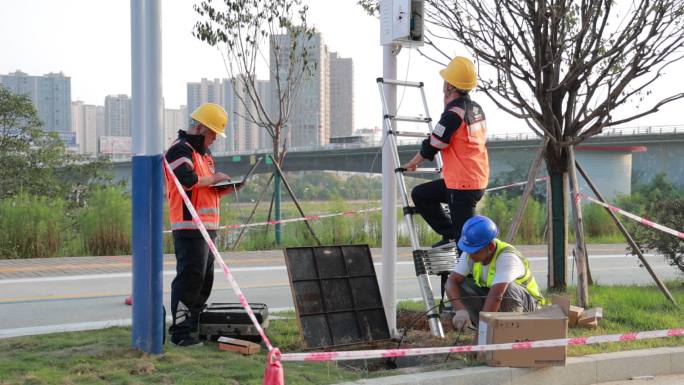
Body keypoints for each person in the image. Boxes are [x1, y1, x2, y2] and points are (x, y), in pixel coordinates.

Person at [163, 103, 237, 347]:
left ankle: (194, 325)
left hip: (208, 227)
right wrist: (215, 179)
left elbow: (205, 189)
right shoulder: (179, 150)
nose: (214, 139)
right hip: (188, 225)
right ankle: (180, 333)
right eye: (213, 133)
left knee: (204, 280)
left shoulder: (205, 155)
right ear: (202, 128)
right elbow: (188, 180)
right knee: (189, 280)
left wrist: (223, 188)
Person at [401, 56, 489, 250]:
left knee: (464, 242)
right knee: (421, 194)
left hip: (462, 185)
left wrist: (412, 163)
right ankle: (449, 234)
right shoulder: (476, 109)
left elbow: (433, 144)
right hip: (470, 179)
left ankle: (465, 277)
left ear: (450, 85)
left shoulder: (454, 113)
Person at [445, 215, 545, 331]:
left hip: (529, 308)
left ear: (491, 247)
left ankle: (508, 333)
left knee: (508, 289)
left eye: (475, 251)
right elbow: (451, 282)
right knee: (462, 285)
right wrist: (460, 310)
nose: (470, 254)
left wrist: (480, 342)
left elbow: (496, 295)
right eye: (468, 249)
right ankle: (486, 330)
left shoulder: (507, 257)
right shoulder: (470, 254)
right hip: (498, 300)